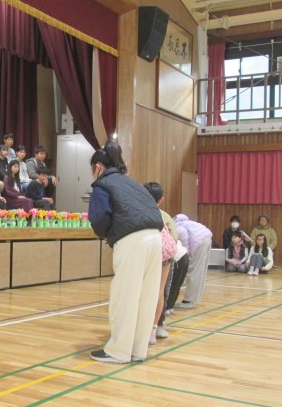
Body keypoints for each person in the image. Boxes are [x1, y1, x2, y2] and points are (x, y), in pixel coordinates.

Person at [88, 143, 163, 364]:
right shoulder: (132, 182)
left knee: (125, 296)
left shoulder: (102, 184)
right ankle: (138, 349)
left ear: (98, 167)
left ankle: (118, 351)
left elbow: (99, 218)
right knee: (146, 296)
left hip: (132, 240)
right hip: (155, 238)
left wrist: (106, 235)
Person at [143, 181, 177, 345]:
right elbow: (174, 235)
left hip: (152, 249)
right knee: (159, 291)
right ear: (161, 199)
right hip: (168, 250)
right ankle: (153, 330)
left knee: (145, 291)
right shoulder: (162, 214)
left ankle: (143, 329)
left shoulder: (140, 210)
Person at [173, 214, 213, 309]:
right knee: (199, 271)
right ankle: (191, 299)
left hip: (199, 243)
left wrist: (186, 255)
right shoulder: (189, 223)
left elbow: (184, 238)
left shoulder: (177, 226)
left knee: (194, 271)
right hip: (207, 239)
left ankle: (188, 301)